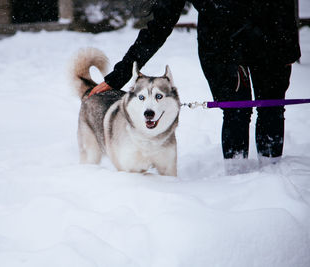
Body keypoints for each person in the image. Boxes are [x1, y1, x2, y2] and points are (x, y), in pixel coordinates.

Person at [89, 0, 301, 173]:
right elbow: (161, 23)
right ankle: (237, 176)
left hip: (272, 40)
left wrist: (289, 47)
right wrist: (120, 75)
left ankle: (273, 173)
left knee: (271, 108)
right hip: (223, 48)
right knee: (236, 111)